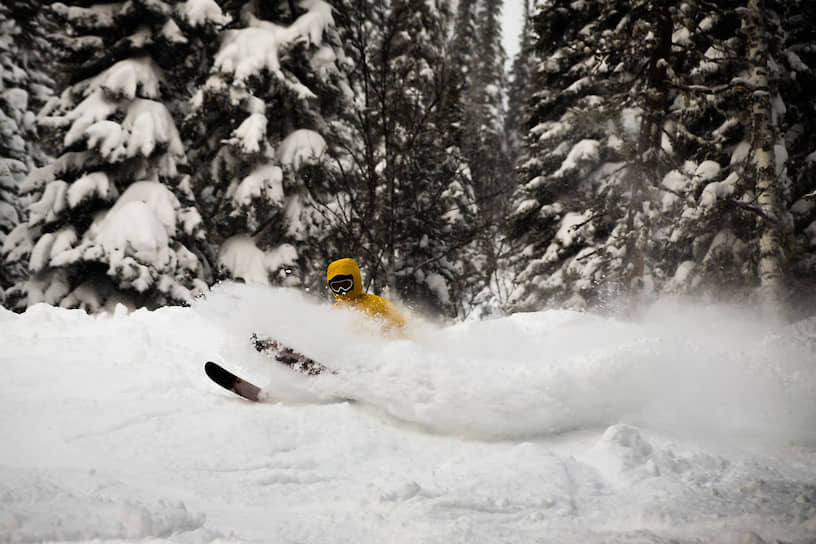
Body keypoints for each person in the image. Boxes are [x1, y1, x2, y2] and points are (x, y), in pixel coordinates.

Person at [326, 257, 406, 333]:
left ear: (355, 281)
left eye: (346, 285)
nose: (342, 290)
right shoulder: (335, 311)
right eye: (336, 287)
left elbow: (401, 327)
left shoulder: (379, 304)